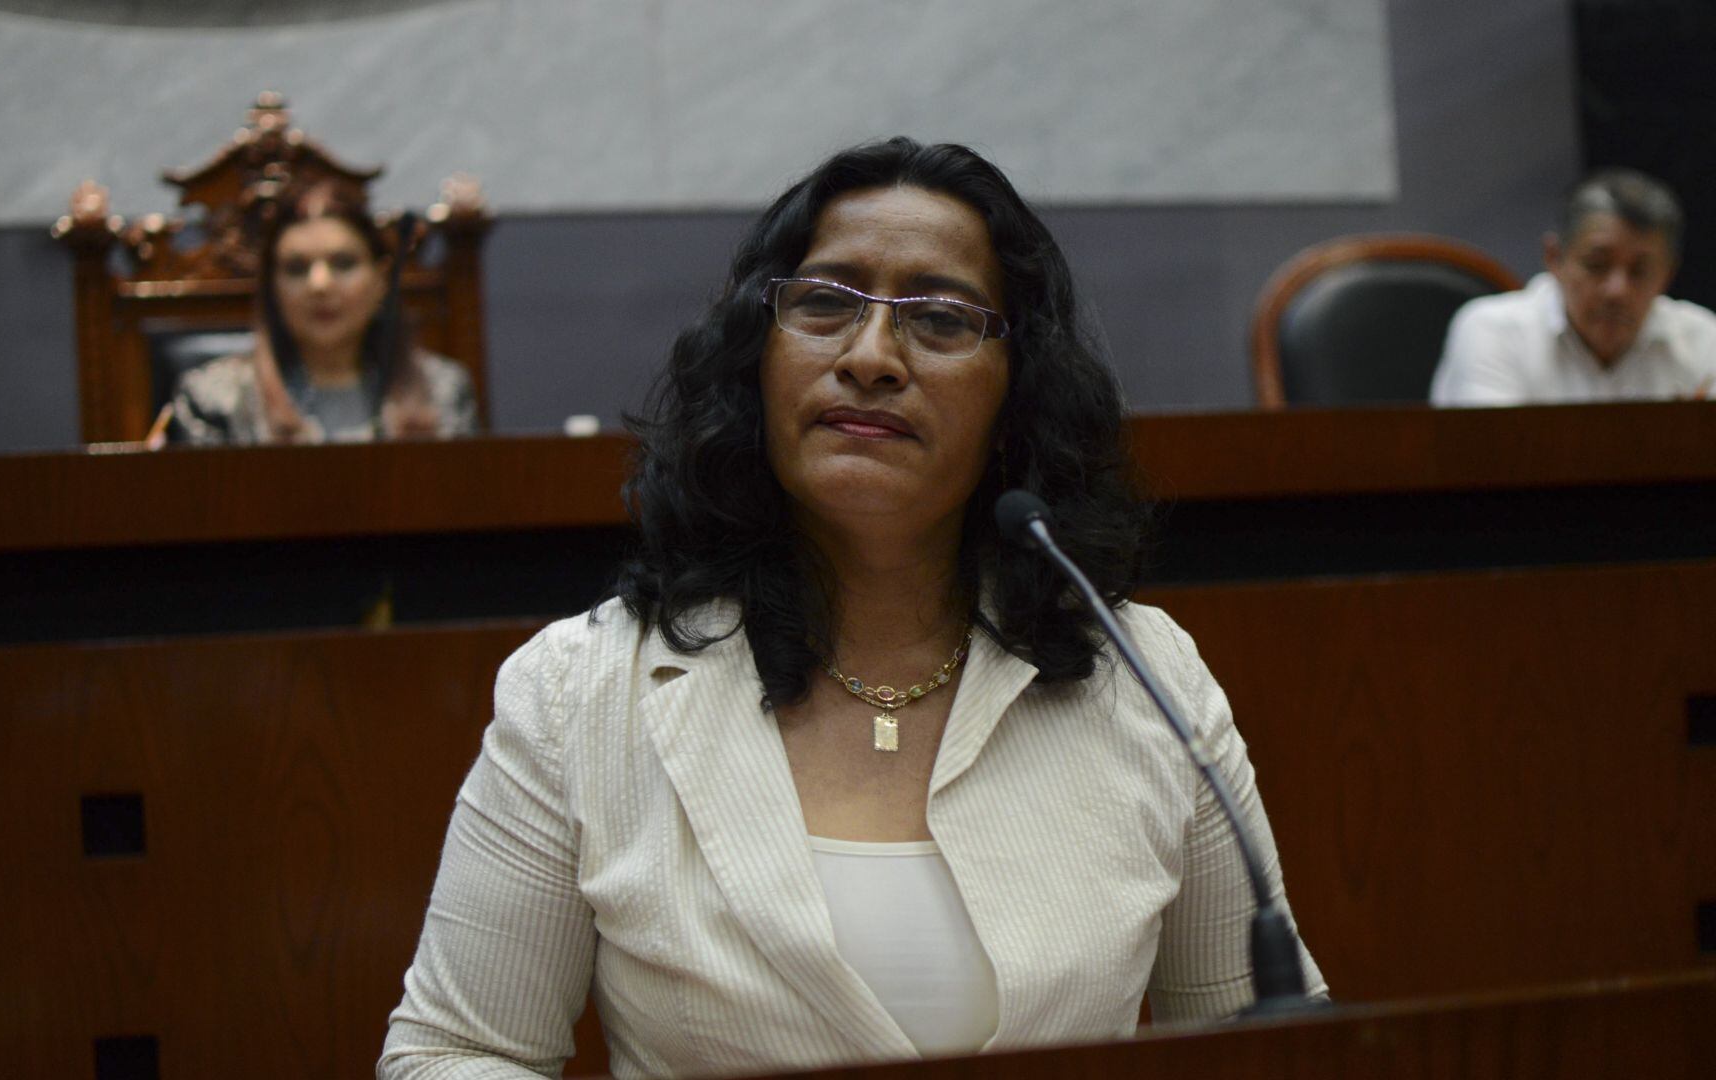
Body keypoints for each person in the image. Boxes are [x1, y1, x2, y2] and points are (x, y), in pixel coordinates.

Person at [381, 138, 1325, 1079]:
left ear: (1018, 390)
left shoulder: (1144, 677)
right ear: (757, 357)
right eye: (826, 303)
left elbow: (1268, 1044)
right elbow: (454, 1053)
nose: (871, 358)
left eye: (942, 319)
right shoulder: (580, 690)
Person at [167, 181, 478, 444]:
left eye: (343, 263)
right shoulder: (214, 401)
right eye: (296, 268)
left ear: (381, 280)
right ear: (272, 287)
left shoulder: (443, 391)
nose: (319, 285)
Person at [1431, 168, 1716, 405]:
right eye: (1597, 265)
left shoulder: (1703, 339)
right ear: (1555, 258)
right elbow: (1491, 452)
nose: (1617, 290)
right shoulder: (1492, 331)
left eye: (1639, 272)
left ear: (1667, 275)